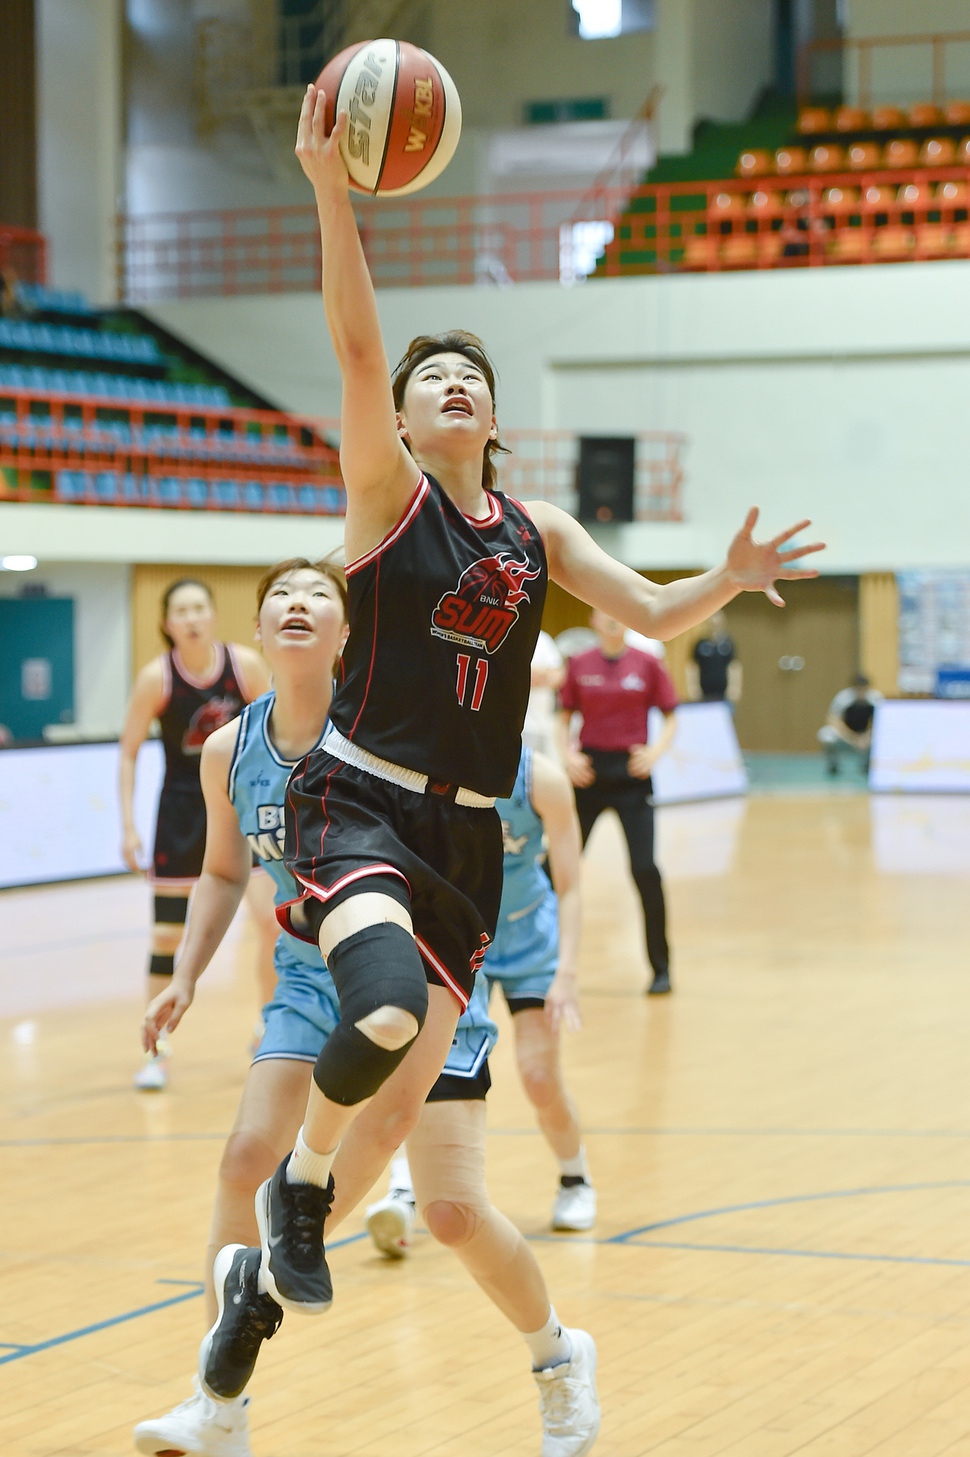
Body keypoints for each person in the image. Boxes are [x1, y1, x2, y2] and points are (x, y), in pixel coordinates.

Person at [197, 80, 823, 1437]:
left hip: (469, 843)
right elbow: (357, 352)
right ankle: (293, 1212)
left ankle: (325, 1217)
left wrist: (720, 575)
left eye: (466, 374)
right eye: (431, 379)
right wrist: (327, 194)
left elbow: (649, 614)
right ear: (412, 424)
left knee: (418, 1116)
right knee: (367, 1012)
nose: (448, 382)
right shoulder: (384, 499)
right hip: (358, 800)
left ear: (492, 415)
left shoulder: (533, 528)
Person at [134, 560, 598, 1457]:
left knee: (453, 1212)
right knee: (242, 1163)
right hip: (312, 981)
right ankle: (218, 1398)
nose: (297, 604)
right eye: (280, 595)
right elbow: (227, 871)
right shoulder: (230, 747)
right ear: (258, 631)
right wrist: (186, 972)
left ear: (349, 634)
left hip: (420, 974)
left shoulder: (391, 734)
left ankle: (558, 1357)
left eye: (319, 594)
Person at [365, 741, 594, 1252]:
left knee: (538, 1076)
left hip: (529, 940)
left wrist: (568, 975)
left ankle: (575, 1177)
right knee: (427, 1067)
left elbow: (571, 885)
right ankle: (403, 1188)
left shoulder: (544, 781)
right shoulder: (436, 768)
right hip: (465, 938)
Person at [119, 576, 271, 1090]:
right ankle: (155, 1048)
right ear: (167, 623)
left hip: (239, 808)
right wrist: (127, 825)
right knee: (166, 938)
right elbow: (128, 751)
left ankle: (269, 1031)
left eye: (198, 608)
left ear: (211, 616)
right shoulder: (156, 678)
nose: (190, 618)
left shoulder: (244, 666)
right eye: (180, 610)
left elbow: (279, 729)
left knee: (273, 928)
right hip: (181, 814)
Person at [559, 609, 678, 996]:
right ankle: (542, 964)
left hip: (632, 777)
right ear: (593, 621)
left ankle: (661, 968)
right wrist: (568, 755)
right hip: (590, 776)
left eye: (618, 614)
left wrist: (655, 752)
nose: (612, 619)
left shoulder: (647, 665)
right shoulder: (579, 664)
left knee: (645, 870)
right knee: (554, 870)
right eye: (604, 614)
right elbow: (563, 716)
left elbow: (672, 715)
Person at [818, 673, 883, 775]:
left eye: (864, 689)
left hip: (865, 737)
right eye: (859, 689)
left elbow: (881, 722)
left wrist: (867, 737)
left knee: (883, 735)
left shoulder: (875, 698)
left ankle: (868, 764)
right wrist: (852, 738)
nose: (861, 692)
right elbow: (833, 720)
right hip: (846, 736)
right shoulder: (843, 698)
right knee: (826, 734)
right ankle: (833, 763)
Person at [522, 629, 566, 758]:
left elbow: (559, 677)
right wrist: (543, 674)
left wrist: (528, 674)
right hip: (509, 726)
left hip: (539, 726)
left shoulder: (542, 639)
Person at [686, 610, 741, 704]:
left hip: (724, 695)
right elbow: (692, 667)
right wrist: (693, 687)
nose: (715, 622)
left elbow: (734, 666)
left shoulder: (728, 644)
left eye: (717, 618)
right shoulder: (700, 644)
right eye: (712, 618)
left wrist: (734, 688)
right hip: (703, 694)